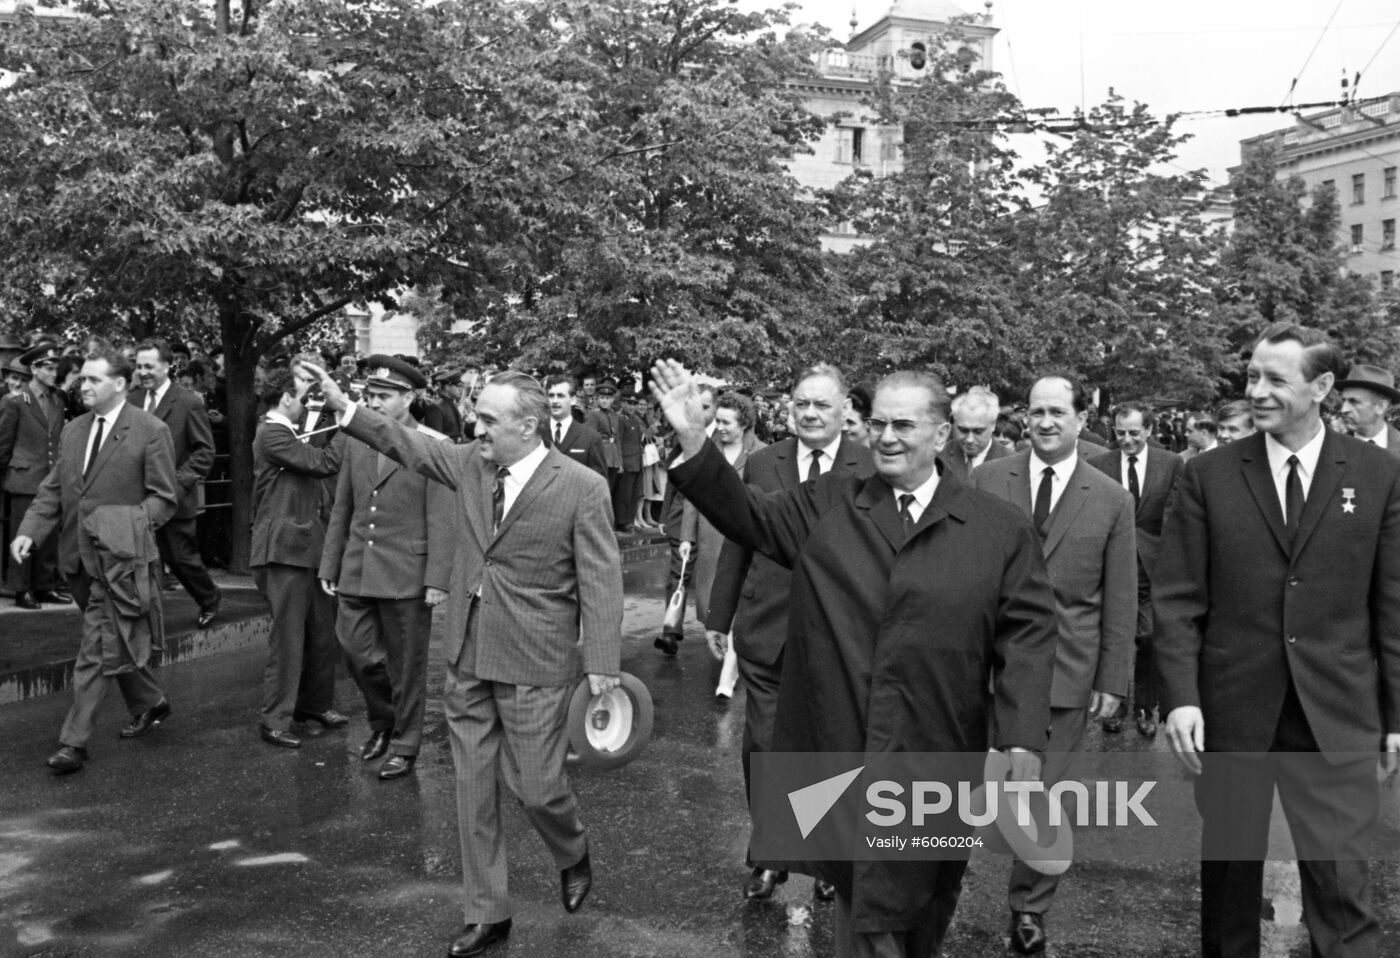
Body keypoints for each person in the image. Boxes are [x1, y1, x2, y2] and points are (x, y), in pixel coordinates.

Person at [652, 359, 1058, 958]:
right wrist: (693, 439)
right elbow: (748, 516)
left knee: (927, 903)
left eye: (903, 425)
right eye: (877, 423)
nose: (886, 437)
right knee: (865, 908)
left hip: (939, 750)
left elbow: (1026, 630)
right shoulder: (830, 503)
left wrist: (1021, 735)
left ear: (941, 434)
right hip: (846, 745)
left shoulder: (998, 527)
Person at [301, 361, 621, 958]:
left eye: (488, 420)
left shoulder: (581, 486)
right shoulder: (470, 463)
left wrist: (601, 657)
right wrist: (346, 408)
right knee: (472, 790)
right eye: (475, 415)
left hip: (535, 659)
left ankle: (571, 849)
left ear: (529, 427)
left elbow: (600, 578)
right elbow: (406, 442)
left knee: (537, 787)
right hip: (468, 651)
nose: (476, 427)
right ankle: (487, 913)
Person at [1157, 324, 1400, 958]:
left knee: (1345, 895)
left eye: (1274, 380)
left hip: (1337, 712)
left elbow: (1393, 607)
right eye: (1252, 377)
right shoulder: (1206, 476)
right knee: (1230, 888)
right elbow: (1179, 599)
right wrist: (1181, 697)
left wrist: (1396, 715)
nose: (1256, 391)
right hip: (1233, 711)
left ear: (1322, 387)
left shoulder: (1379, 476)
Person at [968, 373, 1136, 956]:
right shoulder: (988, 479)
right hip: (986, 666)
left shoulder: (1111, 498)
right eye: (1035, 412)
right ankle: (935, 888)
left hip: (1067, 672)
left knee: (1049, 796)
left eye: (1057, 412)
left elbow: (1120, 595)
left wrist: (1114, 679)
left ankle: (1029, 908)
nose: (1044, 423)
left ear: (1080, 418)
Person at [704, 364, 873, 903]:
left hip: (839, 633)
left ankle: (828, 856)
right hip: (768, 627)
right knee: (765, 747)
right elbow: (739, 536)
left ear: (846, 408)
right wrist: (719, 615)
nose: (811, 413)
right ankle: (773, 854)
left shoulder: (870, 466)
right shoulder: (762, 461)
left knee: (834, 749)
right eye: (802, 403)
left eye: (822, 404)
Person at [10, 348, 179, 775]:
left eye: (92, 380)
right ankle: (150, 701)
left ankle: (74, 743)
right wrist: (29, 530)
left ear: (119, 385)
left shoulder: (150, 430)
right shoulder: (73, 431)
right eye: (81, 379)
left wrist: (128, 528)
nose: (81, 386)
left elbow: (164, 497)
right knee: (111, 641)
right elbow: (54, 489)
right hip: (76, 561)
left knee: (94, 650)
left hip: (119, 563)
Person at [319, 355, 454, 782]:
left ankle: (404, 744)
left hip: (406, 571)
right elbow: (344, 505)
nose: (373, 403)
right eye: (369, 395)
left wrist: (437, 578)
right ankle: (384, 721)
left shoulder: (433, 444)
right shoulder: (357, 439)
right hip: (359, 566)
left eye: (383, 396)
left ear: (409, 397)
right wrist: (331, 562)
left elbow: (442, 517)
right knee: (355, 651)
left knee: (406, 664)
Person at [250, 367, 348, 749]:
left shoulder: (286, 433)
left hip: (306, 546)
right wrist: (347, 421)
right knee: (288, 639)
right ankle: (274, 719)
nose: (307, 404)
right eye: (303, 397)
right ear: (286, 398)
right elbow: (325, 463)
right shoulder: (271, 432)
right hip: (283, 551)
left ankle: (314, 704)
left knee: (322, 632)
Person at [1089, 401, 1182, 739]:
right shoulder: (1099, 463)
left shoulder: (1170, 464)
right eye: (1120, 432)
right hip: (1111, 563)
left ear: (1149, 430)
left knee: (1149, 637)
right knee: (1115, 636)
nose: (1126, 439)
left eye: (1133, 433)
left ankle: (1145, 705)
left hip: (1152, 565)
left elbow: (1174, 514)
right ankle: (1117, 705)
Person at [129, 339, 221, 629]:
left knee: (180, 557)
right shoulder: (131, 400)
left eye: (149, 366)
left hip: (174, 497)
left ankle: (209, 597)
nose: (143, 372)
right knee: (140, 560)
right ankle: (145, 617)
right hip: (138, 496)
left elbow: (205, 451)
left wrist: (178, 483)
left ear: (167, 366)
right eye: (139, 366)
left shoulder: (188, 401)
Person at [0, 343, 70, 609]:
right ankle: (21, 589)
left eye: (55, 368)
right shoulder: (15, 401)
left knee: (48, 536)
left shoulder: (57, 399)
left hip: (50, 476)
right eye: (49, 368)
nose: (54, 373)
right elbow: (3, 445)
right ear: (34, 369)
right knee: (22, 535)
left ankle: (44, 586)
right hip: (23, 478)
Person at [655, 381, 716, 655]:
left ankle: (720, 629)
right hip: (682, 517)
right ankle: (670, 629)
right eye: (694, 407)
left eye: (706, 407)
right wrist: (665, 514)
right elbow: (672, 479)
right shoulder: (683, 439)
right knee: (678, 574)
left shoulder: (726, 436)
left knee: (715, 577)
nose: (700, 413)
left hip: (715, 521)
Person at [543, 376, 607, 478]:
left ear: (573, 399)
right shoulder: (536, 434)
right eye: (551, 396)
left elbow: (599, 482)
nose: (554, 401)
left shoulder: (591, 437)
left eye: (560, 396)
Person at [942, 386, 1011, 479]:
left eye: (978, 431)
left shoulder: (1012, 463)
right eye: (963, 430)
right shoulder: (938, 457)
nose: (970, 439)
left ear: (993, 425)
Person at [1336, 364, 1400, 455]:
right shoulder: (1334, 448)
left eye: (1354, 402)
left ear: (1381, 406)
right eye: (1343, 400)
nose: (1343, 409)